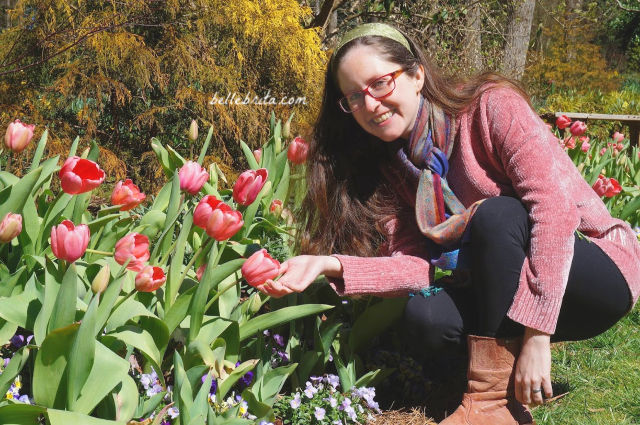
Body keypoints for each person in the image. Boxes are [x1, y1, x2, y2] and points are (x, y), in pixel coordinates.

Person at [255, 22, 640, 425]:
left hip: (595, 271)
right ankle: (502, 398)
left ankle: (488, 401)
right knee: (427, 318)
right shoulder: (393, 169)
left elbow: (554, 211)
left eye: (381, 83)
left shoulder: (491, 107)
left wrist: (538, 334)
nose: (370, 104)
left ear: (417, 74)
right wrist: (328, 263)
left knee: (496, 214)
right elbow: (418, 266)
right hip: (502, 278)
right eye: (354, 97)